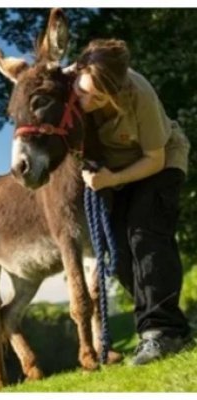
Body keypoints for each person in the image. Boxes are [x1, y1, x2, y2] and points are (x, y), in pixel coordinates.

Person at [73, 39, 192, 365]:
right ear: (78, 71)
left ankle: (159, 333)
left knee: (145, 232)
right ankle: (174, 327)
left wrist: (111, 180)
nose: (87, 101)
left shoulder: (139, 94)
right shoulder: (71, 85)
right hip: (115, 170)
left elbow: (154, 159)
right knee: (120, 253)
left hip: (159, 162)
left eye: (99, 98)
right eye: (84, 92)